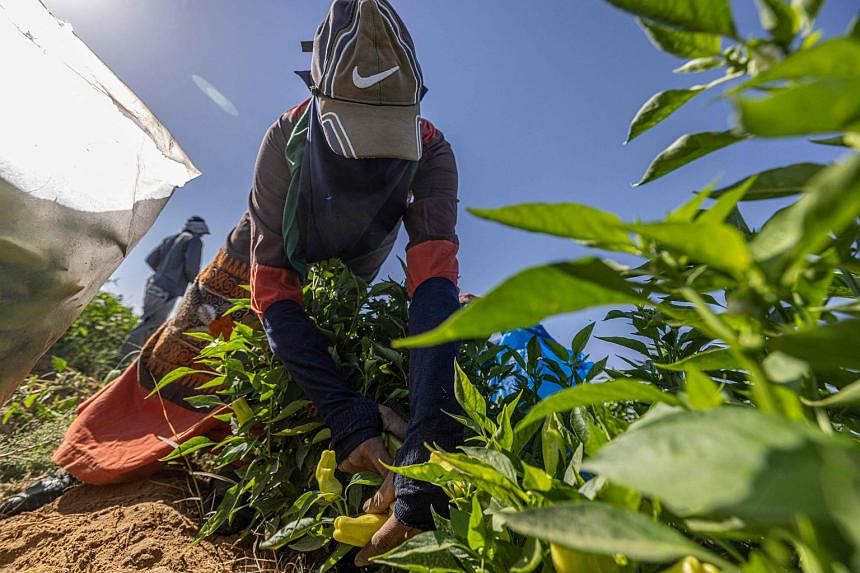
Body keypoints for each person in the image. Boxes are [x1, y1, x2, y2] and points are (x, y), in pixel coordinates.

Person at [249, 0, 462, 564]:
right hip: (299, 233)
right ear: (321, 105)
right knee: (228, 306)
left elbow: (433, 283)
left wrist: (428, 440)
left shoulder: (433, 149)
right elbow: (272, 290)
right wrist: (341, 409)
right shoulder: (283, 144)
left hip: (361, 256)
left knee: (357, 315)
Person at [119, 216, 210, 357]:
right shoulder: (194, 241)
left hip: (153, 285)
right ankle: (124, 361)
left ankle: (126, 359)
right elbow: (191, 269)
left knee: (147, 322)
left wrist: (164, 272)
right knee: (151, 326)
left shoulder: (170, 239)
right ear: (199, 229)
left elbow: (151, 259)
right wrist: (200, 287)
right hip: (168, 291)